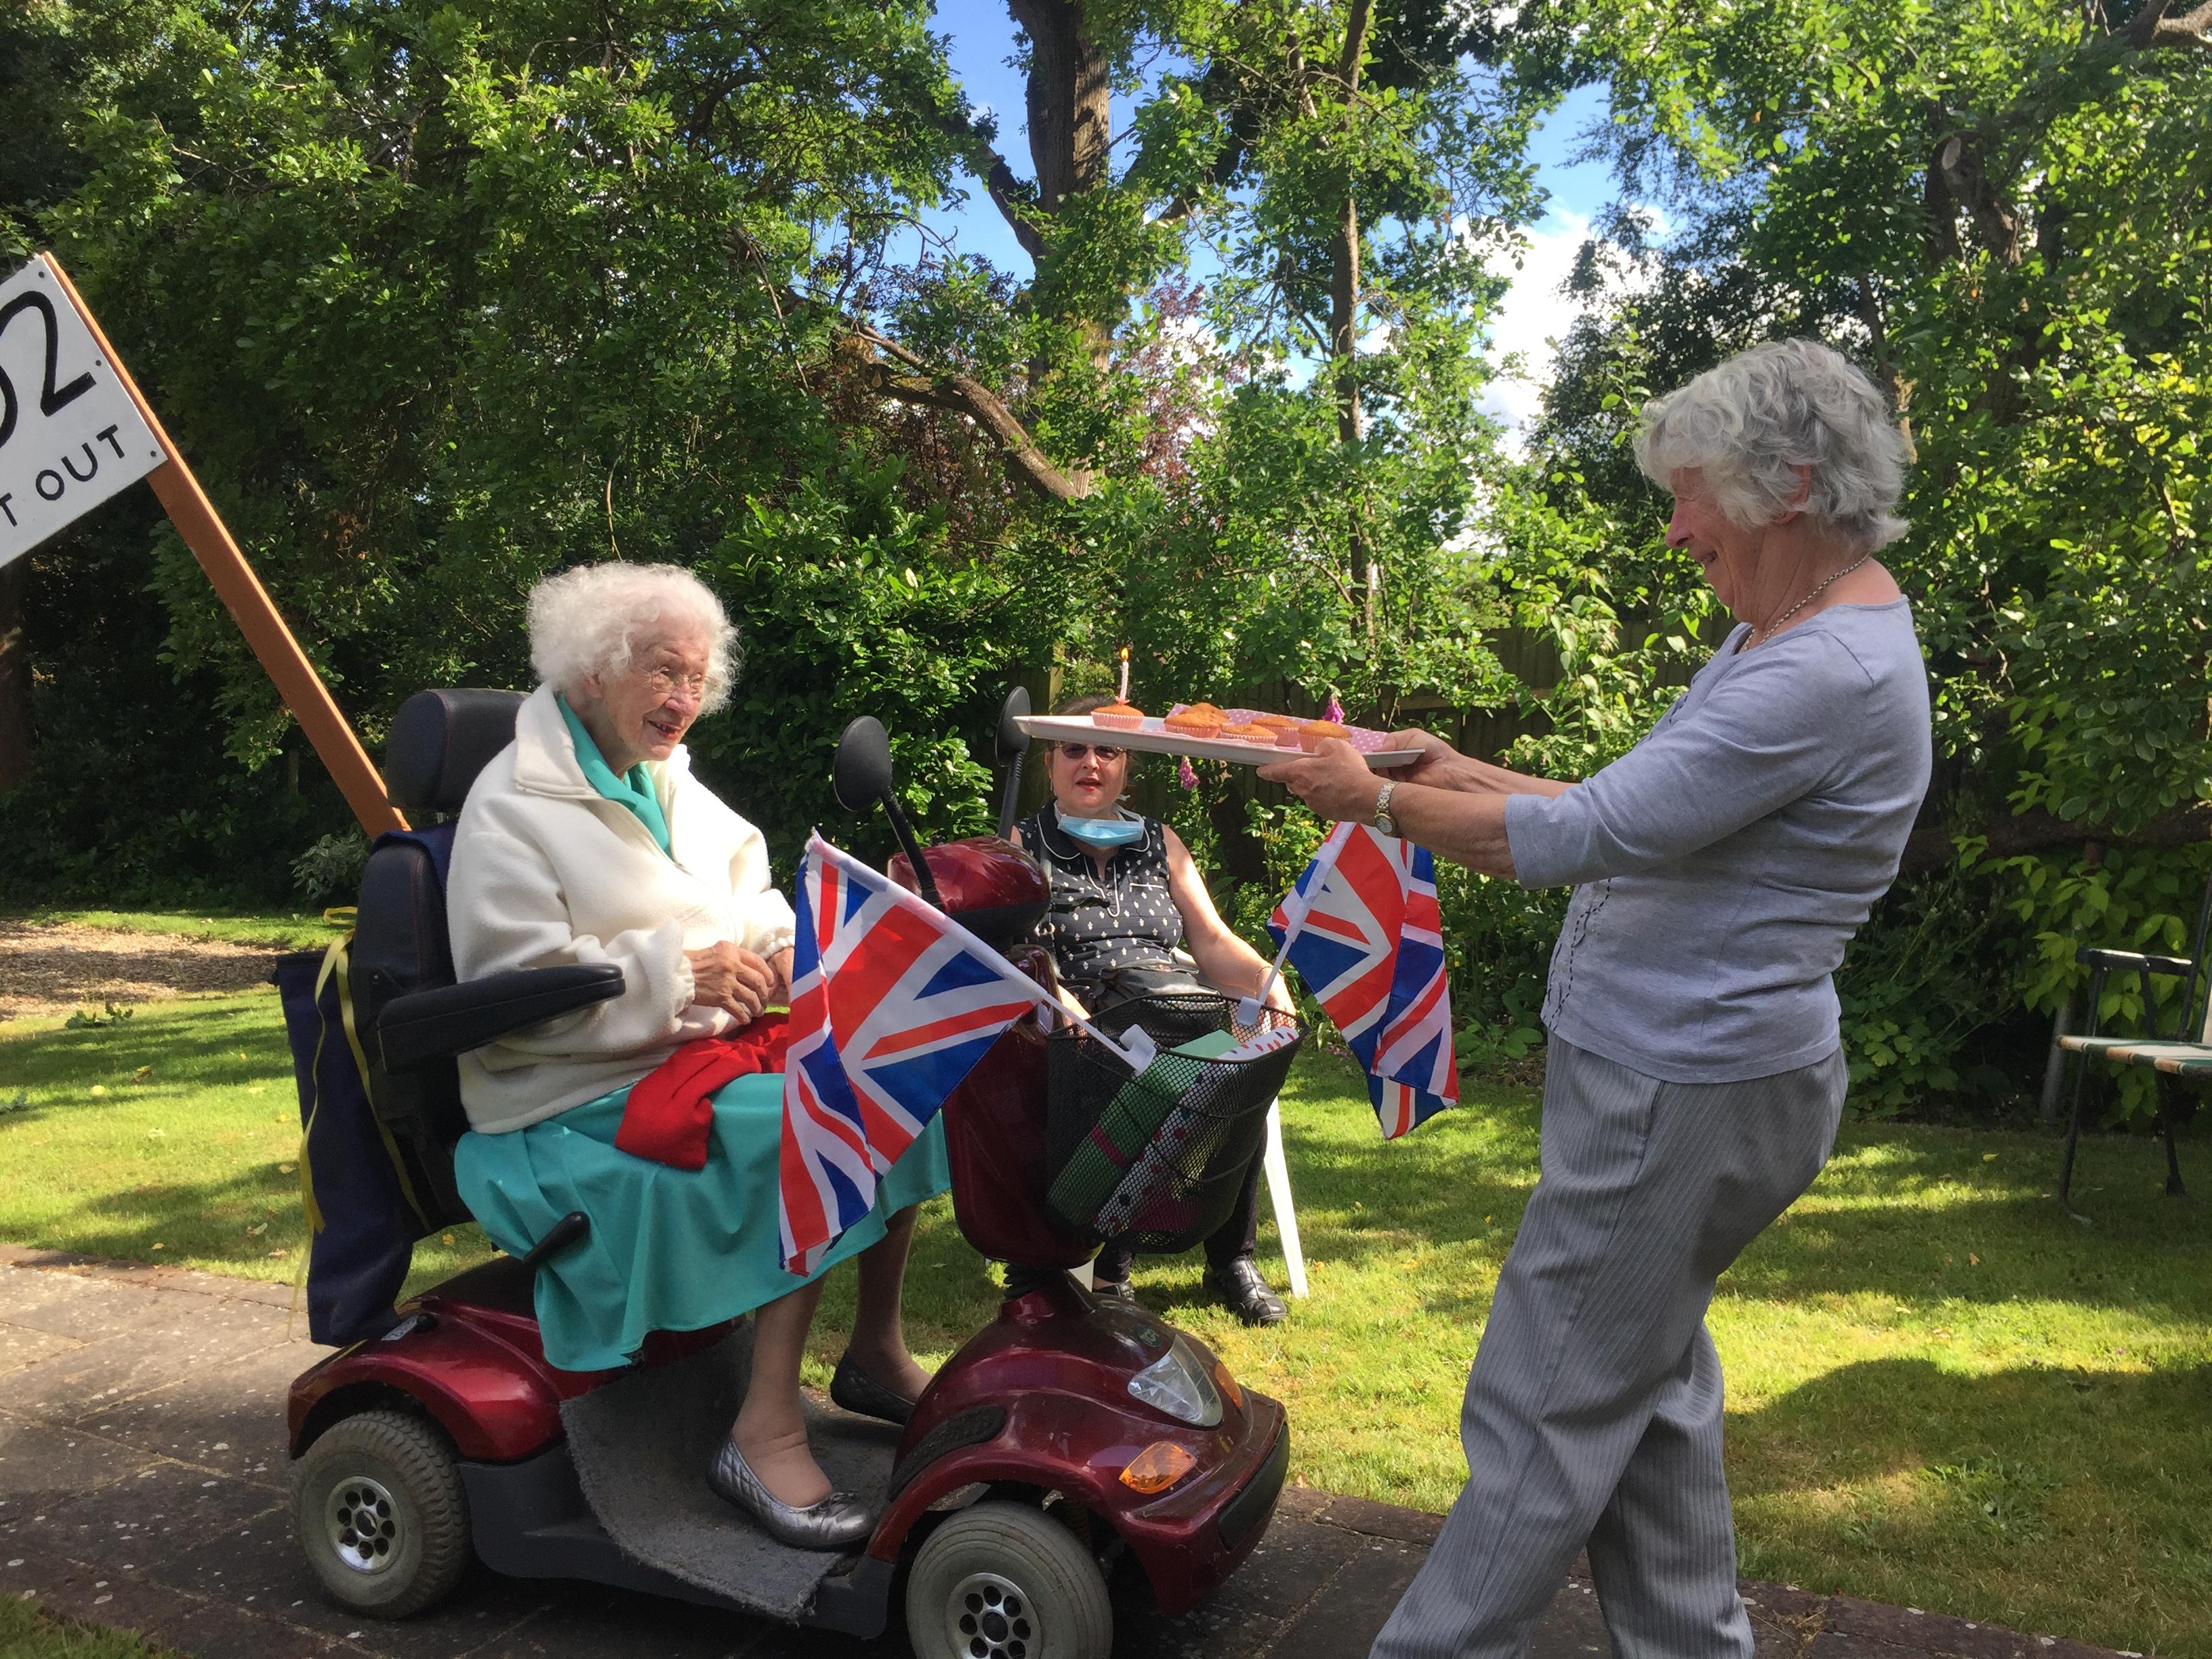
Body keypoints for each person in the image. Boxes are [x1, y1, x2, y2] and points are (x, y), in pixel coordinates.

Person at [1263, 339, 1933, 1659]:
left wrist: (1376, 799)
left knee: (1542, 1403)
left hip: (1678, 1089)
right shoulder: (1790, 632)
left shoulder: (1820, 672)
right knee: (1645, 1393)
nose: (1677, 529)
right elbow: (1622, 811)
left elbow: (1572, 841)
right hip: (1694, 1077)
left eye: (1693, 495)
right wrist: (1454, 768)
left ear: (1791, 484)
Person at [445, 561, 948, 1551]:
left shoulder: (667, 778)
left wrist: (800, 956)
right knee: (817, 1129)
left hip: (688, 1057)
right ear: (593, 670)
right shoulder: (510, 806)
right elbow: (511, 1000)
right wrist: (674, 976)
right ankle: (762, 1434)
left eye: (697, 677)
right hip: (564, 1100)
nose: (685, 698)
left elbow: (751, 905)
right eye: (663, 671)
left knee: (898, 1087)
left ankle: (875, 1351)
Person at [1012, 693, 1296, 1326]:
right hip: (1083, 1023)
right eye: (1074, 749)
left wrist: (1265, 979)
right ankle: (1113, 1264)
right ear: (1050, 763)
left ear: (1127, 766)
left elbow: (1212, 939)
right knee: (1175, 1069)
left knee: (1241, 1068)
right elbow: (1018, 953)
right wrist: (1061, 1000)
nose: (1091, 762)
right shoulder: (1021, 844)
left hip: (1176, 1004)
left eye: (1108, 750)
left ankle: (1232, 1259)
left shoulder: (1160, 841)